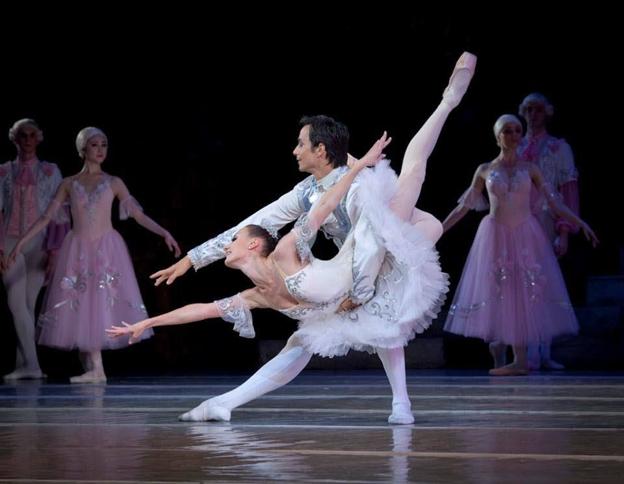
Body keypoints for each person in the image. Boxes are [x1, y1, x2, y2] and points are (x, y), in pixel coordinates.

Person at [108, 52, 477, 422]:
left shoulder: (357, 186)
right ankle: (223, 403)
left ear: (320, 149)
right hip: (351, 264)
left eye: (301, 143)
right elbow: (254, 223)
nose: (294, 150)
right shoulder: (306, 194)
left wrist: (358, 293)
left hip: (395, 232)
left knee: (410, 179)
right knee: (306, 340)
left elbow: (366, 239)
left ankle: (448, 101)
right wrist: (193, 259)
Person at [7, 127, 181, 383]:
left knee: (98, 301)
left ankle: (96, 368)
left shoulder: (113, 182)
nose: (100, 150)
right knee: (81, 302)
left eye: (104, 145)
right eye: (94, 145)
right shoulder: (69, 183)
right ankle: (94, 368)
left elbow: (137, 214)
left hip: (106, 248)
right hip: (76, 247)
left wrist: (163, 232)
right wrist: (20, 242)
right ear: (83, 149)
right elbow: (46, 218)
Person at [442, 114, 598, 376]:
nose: (514, 135)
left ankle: (519, 358)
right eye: (508, 130)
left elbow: (556, 203)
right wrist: (438, 229)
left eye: (517, 130)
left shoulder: (531, 168)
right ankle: (501, 346)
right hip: (495, 234)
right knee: (499, 288)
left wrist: (579, 222)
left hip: (525, 234)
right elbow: (464, 207)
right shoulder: (485, 170)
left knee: (523, 291)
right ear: (497, 136)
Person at [1, 118, 68, 380]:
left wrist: (55, 250)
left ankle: (23, 365)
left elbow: (60, 212)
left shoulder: (50, 171)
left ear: (38, 138)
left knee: (29, 305)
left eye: (31, 135)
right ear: (14, 138)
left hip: (39, 242)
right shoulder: (4, 171)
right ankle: (33, 366)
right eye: (22, 135)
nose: (27, 140)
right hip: (9, 241)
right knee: (16, 302)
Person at [518, 92, 580, 370]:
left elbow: (567, 189)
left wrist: (564, 231)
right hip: (518, 223)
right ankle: (527, 350)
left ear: (547, 113)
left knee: (544, 285)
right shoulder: (515, 146)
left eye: (538, 110)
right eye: (529, 110)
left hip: (544, 221)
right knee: (520, 285)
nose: (533, 115)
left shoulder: (557, 148)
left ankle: (543, 349)